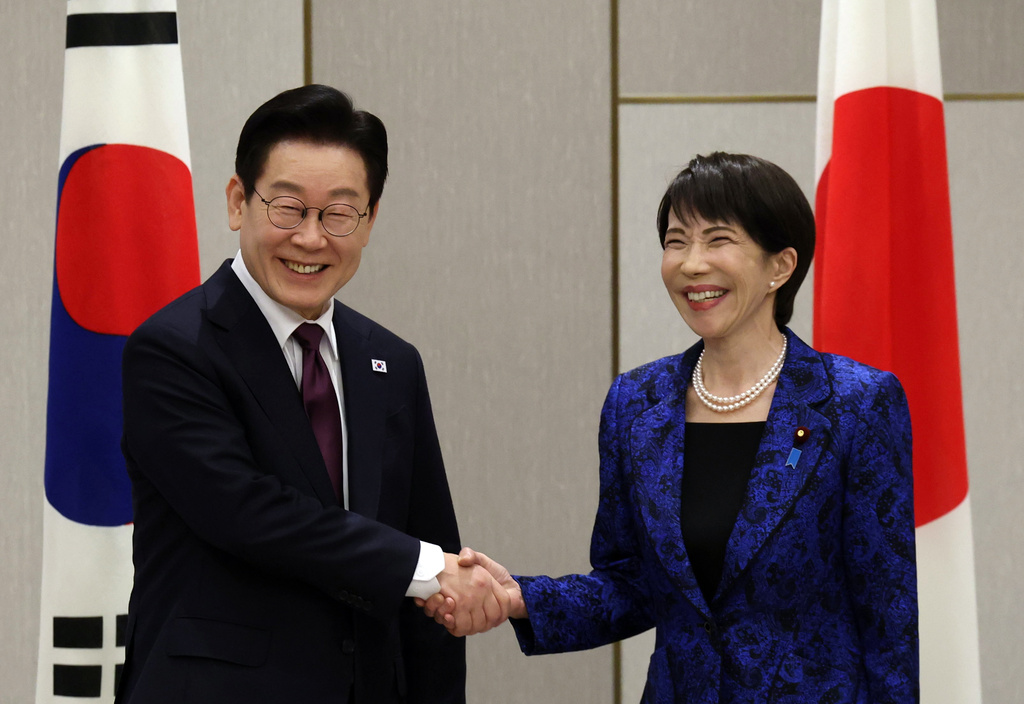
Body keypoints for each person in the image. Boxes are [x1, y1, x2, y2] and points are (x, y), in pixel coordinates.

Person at [426, 152, 919, 702]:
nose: (690, 263)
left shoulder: (857, 403)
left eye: (717, 240)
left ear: (780, 266)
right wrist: (519, 597)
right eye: (676, 240)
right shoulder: (636, 404)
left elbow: (889, 616)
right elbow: (630, 585)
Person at [116, 84, 508, 704]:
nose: (311, 238)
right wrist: (427, 569)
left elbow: (426, 541)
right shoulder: (172, 349)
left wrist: (438, 581)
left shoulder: (393, 362)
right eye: (288, 208)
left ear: (371, 220)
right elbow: (246, 513)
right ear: (237, 201)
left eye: (338, 213)